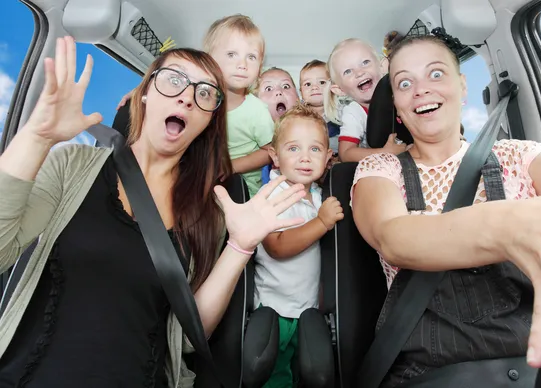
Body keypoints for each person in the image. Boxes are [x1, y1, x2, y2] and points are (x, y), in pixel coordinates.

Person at [0, 37, 305, 388]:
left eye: (205, 93)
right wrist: (37, 137)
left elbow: (188, 335)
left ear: (209, 120)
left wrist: (240, 246)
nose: (187, 96)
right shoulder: (73, 164)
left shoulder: (211, 212)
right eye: (174, 79)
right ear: (145, 91)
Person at [351, 33, 541, 386]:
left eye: (435, 74)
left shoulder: (518, 156)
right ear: (397, 107)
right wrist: (513, 224)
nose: (421, 89)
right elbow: (392, 235)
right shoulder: (381, 169)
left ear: (463, 86)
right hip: (434, 372)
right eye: (405, 82)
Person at [118, 14, 274, 197]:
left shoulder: (257, 111)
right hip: (200, 177)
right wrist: (140, 91)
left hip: (242, 189)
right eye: (232, 54)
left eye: (252, 57)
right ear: (210, 61)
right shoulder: (195, 101)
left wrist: (231, 166)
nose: (242, 64)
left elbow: (269, 151)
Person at [253, 103, 343, 387]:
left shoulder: (318, 197)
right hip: (275, 310)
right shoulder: (273, 196)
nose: (305, 157)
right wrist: (322, 223)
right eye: (293, 149)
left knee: (304, 376)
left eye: (315, 149)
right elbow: (277, 247)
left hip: (307, 311)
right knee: (274, 376)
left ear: (328, 157)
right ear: (274, 157)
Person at [323, 38, 408, 162]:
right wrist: (384, 153)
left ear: (383, 66)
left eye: (365, 62)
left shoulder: (401, 94)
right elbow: (345, 153)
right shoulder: (354, 112)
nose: (359, 73)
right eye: (348, 71)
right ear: (340, 89)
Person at [299, 59, 340, 155]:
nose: (314, 87)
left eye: (322, 82)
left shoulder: (341, 112)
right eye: (308, 84)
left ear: (333, 87)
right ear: (301, 92)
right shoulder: (298, 116)